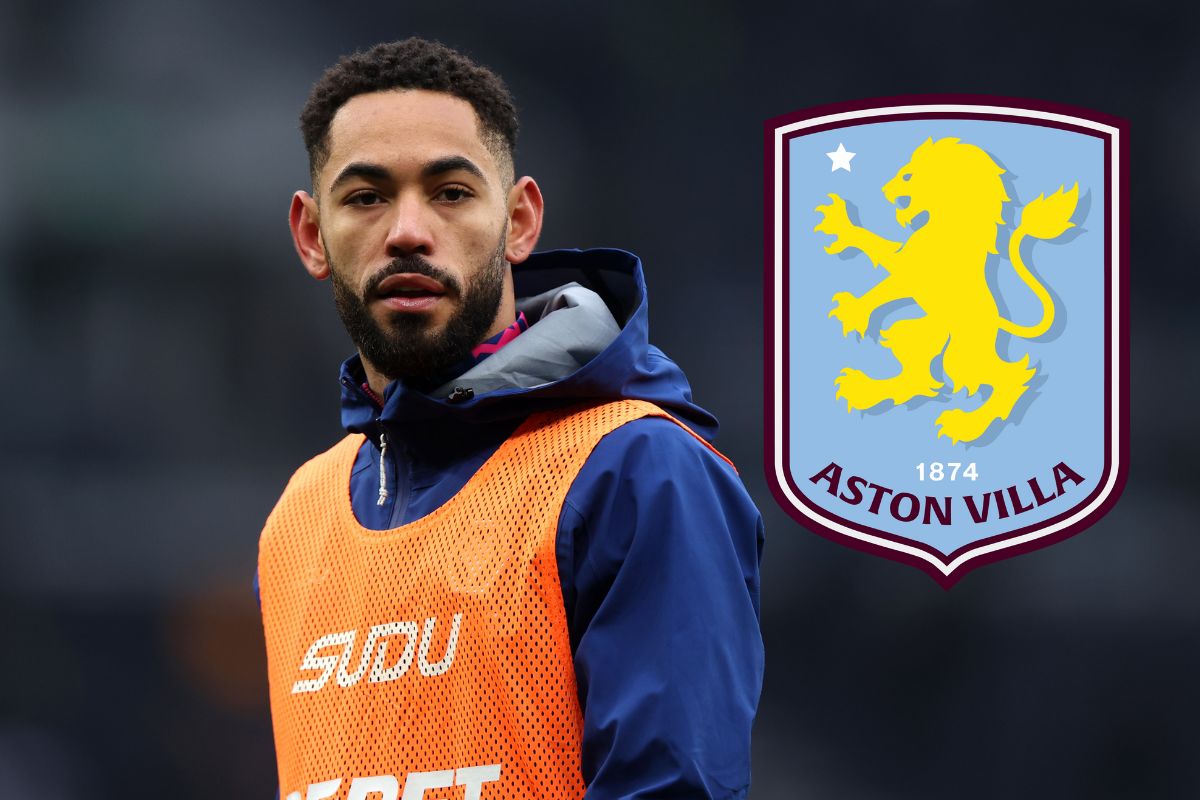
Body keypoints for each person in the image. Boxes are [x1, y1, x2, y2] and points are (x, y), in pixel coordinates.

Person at [258, 38, 764, 800]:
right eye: (366, 197)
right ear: (310, 235)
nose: (407, 231)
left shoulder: (638, 469)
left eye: (451, 192)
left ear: (520, 221)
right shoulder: (296, 519)